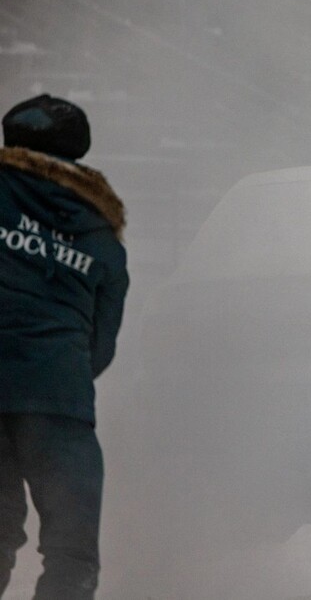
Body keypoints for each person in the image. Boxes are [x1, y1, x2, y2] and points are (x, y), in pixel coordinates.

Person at [0, 94, 128, 599]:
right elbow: (101, 343)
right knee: (72, 552)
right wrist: (56, 370)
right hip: (58, 404)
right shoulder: (101, 236)